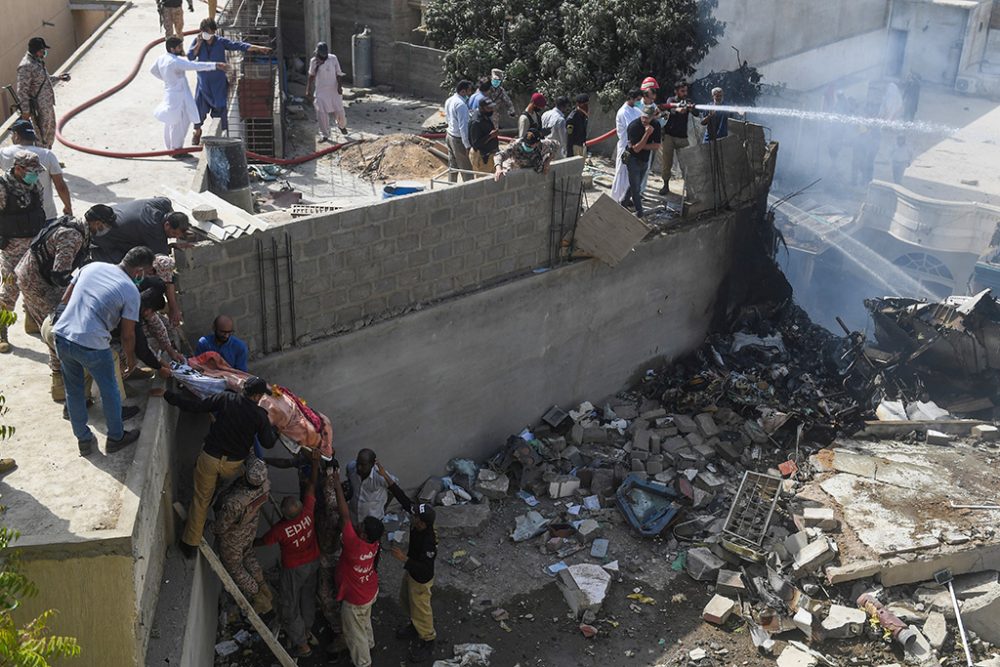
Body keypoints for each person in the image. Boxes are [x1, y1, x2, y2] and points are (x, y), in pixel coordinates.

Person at [162, 375, 278, 556]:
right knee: (246, 482)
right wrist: (275, 430)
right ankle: (220, 504)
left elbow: (196, 407)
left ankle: (190, 546)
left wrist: (168, 395)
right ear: (256, 396)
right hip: (233, 467)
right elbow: (268, 443)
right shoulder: (260, 416)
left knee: (200, 500)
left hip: (209, 459)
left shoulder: (226, 398)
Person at [54, 246, 154, 455]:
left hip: (62, 335)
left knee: (74, 391)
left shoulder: (91, 267)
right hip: (92, 345)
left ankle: (83, 439)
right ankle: (116, 437)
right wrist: (131, 361)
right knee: (110, 392)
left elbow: (64, 300)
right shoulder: (130, 290)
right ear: (139, 271)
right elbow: (128, 334)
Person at [15, 205, 117, 398]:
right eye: (105, 225)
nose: (106, 230)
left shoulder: (79, 226)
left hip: (35, 273)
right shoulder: (73, 236)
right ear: (96, 223)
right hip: (37, 282)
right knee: (58, 330)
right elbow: (60, 275)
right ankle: (59, 381)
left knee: (45, 317)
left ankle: (32, 319)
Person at [257, 450, 322, 658]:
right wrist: (315, 463)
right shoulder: (307, 512)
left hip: (293, 569)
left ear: (284, 515)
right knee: (308, 597)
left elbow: (263, 541)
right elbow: (312, 485)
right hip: (313, 562)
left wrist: (244, 542)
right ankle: (308, 629)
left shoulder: (280, 530)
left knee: (290, 605)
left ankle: (302, 644)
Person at [93, 197, 190, 327]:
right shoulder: (155, 231)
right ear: (166, 224)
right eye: (173, 233)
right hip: (102, 240)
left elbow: (167, 201)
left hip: (111, 221)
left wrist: (174, 241)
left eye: (178, 235)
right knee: (127, 271)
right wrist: (173, 308)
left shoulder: (163, 204)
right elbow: (166, 273)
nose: (174, 237)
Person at [377, 462, 437, 662]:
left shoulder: (429, 542)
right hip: (411, 572)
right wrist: (386, 478)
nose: (412, 517)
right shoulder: (418, 520)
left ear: (423, 523)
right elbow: (404, 500)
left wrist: (405, 559)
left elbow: (426, 568)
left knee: (421, 608)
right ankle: (414, 626)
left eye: (416, 517)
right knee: (406, 600)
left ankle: (428, 639)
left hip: (420, 578)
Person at [329, 463, 383, 667]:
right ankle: (370, 644)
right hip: (369, 590)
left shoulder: (354, 545)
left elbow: (344, 515)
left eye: (360, 526)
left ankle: (363, 662)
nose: (357, 525)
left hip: (355, 599)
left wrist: (335, 484)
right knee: (364, 621)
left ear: (364, 535)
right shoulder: (374, 544)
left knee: (354, 633)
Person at [188, 19, 272, 145]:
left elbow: (238, 45)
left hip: (218, 84)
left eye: (207, 31)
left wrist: (258, 48)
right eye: (203, 31)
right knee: (199, 110)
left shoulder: (220, 42)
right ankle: (197, 132)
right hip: (203, 84)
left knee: (221, 109)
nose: (205, 33)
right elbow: (190, 56)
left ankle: (222, 138)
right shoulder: (198, 42)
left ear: (213, 31)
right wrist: (198, 44)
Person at [0, 151, 47, 354]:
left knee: (36, 285)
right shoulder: (3, 187)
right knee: (9, 290)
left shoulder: (35, 185)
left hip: (33, 244)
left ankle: (32, 322)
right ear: (18, 168)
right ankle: (1, 331)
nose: (35, 175)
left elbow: (39, 209)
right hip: (12, 247)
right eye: (31, 171)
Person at [215, 457, 274, 614]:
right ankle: (263, 587)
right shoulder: (265, 485)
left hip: (233, 538)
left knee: (235, 568)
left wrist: (208, 525)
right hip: (250, 531)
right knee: (248, 555)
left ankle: (259, 598)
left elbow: (221, 527)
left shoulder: (235, 502)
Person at [151, 36, 226, 152]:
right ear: (172, 49)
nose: (181, 49)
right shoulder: (175, 61)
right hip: (178, 97)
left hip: (170, 93)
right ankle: (176, 149)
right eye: (179, 47)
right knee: (179, 123)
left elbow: (153, 70)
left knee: (170, 121)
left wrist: (168, 80)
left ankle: (171, 148)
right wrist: (215, 65)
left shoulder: (162, 58)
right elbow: (195, 66)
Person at [0, 120, 72, 223]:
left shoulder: (3, 153)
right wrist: (67, 207)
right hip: (45, 215)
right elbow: (60, 186)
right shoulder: (47, 155)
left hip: (14, 220)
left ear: (16, 135)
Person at [16, 37, 70, 149]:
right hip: (38, 107)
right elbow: (22, 91)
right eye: (42, 50)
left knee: (49, 132)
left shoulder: (37, 61)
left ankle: (48, 156)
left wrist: (58, 78)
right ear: (36, 50)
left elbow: (43, 79)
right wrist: (25, 111)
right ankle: (42, 160)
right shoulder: (26, 66)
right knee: (40, 135)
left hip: (47, 104)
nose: (44, 53)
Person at [623, 106, 661, 219]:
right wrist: (647, 134)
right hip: (632, 159)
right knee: (636, 189)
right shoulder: (634, 126)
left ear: (653, 117)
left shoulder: (656, 125)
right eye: (643, 117)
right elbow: (635, 150)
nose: (645, 120)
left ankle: (623, 203)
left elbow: (657, 146)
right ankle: (640, 213)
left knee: (636, 184)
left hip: (644, 159)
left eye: (648, 118)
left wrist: (642, 146)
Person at [306, 42, 348, 142]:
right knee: (321, 113)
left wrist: (339, 87)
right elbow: (311, 76)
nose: (322, 57)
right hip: (321, 91)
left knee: (340, 111)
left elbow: (338, 73)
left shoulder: (333, 58)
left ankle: (341, 126)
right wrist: (308, 89)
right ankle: (325, 134)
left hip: (334, 89)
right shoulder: (313, 61)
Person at [345, 449, 397, 524]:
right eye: (358, 463)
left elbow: (394, 488)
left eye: (363, 465)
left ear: (372, 465)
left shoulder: (380, 477)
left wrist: (384, 506)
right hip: (353, 519)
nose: (359, 467)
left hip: (372, 523)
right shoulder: (351, 468)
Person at [610, 89, 643, 206]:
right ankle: (615, 199)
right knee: (621, 173)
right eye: (638, 100)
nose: (639, 102)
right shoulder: (623, 112)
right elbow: (632, 128)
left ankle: (625, 198)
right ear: (631, 98)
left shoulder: (636, 110)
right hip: (625, 146)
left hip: (634, 146)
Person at [660, 80, 692, 195]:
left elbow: (697, 113)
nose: (685, 93)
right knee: (666, 163)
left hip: (682, 137)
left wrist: (691, 108)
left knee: (687, 164)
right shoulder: (671, 100)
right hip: (669, 136)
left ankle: (690, 188)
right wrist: (679, 110)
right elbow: (671, 109)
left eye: (686, 91)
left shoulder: (688, 101)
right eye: (682, 91)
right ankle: (665, 185)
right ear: (676, 91)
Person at [444, 80, 474, 183]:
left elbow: (447, 118)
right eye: (469, 91)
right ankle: (470, 192)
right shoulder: (461, 105)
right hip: (458, 139)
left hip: (449, 135)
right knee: (466, 169)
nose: (470, 93)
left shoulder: (449, 100)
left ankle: (450, 188)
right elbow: (463, 127)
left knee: (453, 167)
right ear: (463, 91)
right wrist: (467, 145)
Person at [468, 97, 499, 175]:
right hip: (482, 158)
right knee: (484, 180)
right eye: (488, 108)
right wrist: (490, 136)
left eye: (492, 107)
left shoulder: (485, 116)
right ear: (482, 108)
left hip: (490, 156)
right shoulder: (476, 122)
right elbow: (476, 144)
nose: (491, 109)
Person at [565, 94, 590, 158]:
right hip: (575, 147)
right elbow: (569, 137)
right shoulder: (572, 118)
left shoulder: (583, 115)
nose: (586, 106)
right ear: (578, 104)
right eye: (584, 104)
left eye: (587, 104)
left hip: (582, 145)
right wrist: (570, 154)